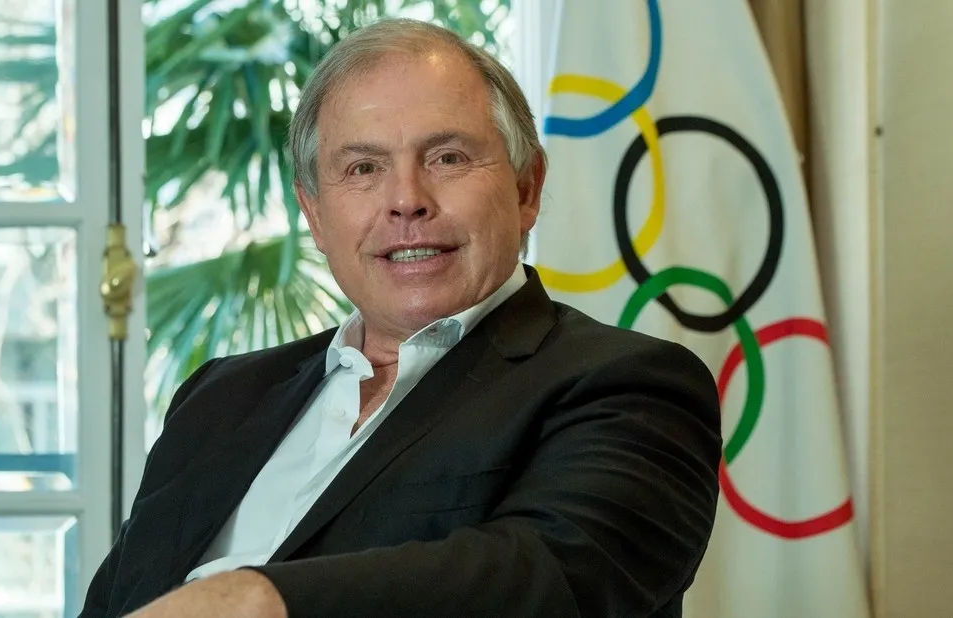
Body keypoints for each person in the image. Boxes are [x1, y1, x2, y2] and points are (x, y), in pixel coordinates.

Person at [80, 17, 721, 618]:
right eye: (364, 168)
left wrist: (263, 597)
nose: (407, 201)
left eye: (447, 158)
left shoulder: (630, 386)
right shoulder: (219, 397)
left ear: (527, 189)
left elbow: (552, 578)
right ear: (314, 214)